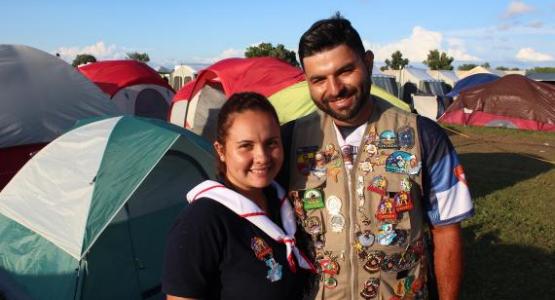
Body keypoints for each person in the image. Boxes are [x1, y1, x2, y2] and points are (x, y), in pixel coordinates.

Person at [277, 13, 474, 300]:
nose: (335, 89)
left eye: (345, 71)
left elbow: (447, 232)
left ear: (367, 63)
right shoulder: (289, 141)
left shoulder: (423, 136)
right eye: (318, 79)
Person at [162, 92, 315, 300]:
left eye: (271, 143)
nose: (262, 157)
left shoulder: (282, 201)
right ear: (221, 150)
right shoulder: (203, 220)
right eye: (246, 146)